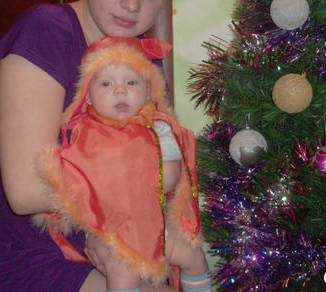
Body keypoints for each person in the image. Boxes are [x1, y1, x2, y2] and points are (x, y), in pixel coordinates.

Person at [0, 0, 191, 291]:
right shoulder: (46, 31)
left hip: (108, 240)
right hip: (28, 255)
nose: (132, 4)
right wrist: (146, 184)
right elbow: (25, 190)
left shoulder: (140, 61)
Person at [33, 36, 211, 292]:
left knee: (194, 255)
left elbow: (171, 175)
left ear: (148, 91)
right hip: (110, 234)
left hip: (157, 228)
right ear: (88, 96)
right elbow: (73, 182)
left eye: (131, 82)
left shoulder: (159, 128)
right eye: (106, 83)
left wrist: (123, 180)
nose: (120, 90)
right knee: (123, 273)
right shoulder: (83, 134)